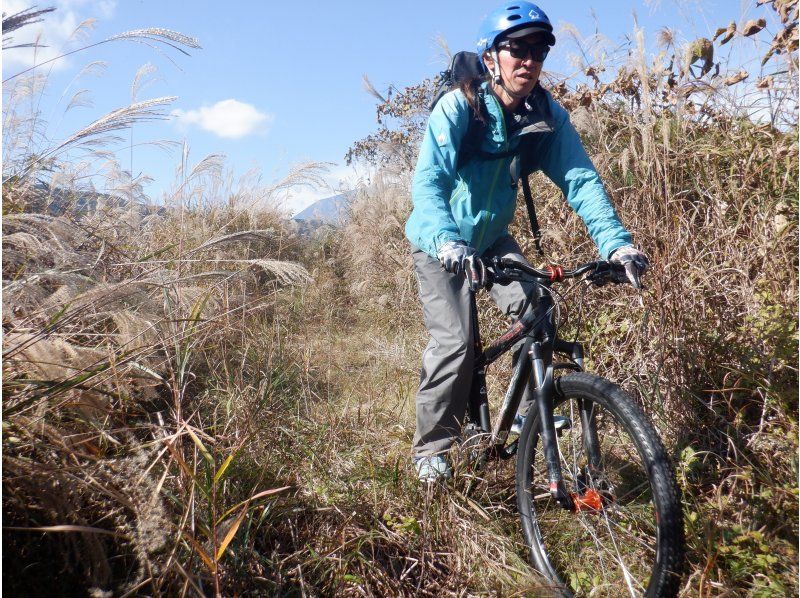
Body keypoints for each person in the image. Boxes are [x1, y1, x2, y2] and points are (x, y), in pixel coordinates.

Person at [404, 2, 649, 481]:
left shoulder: (546, 114)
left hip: (492, 237)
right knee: (456, 343)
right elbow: (429, 181)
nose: (529, 60)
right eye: (517, 49)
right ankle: (431, 450)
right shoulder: (461, 105)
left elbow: (580, 179)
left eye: (538, 50)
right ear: (491, 57)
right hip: (441, 241)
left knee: (540, 310)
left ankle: (526, 408)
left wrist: (616, 245)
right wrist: (448, 243)